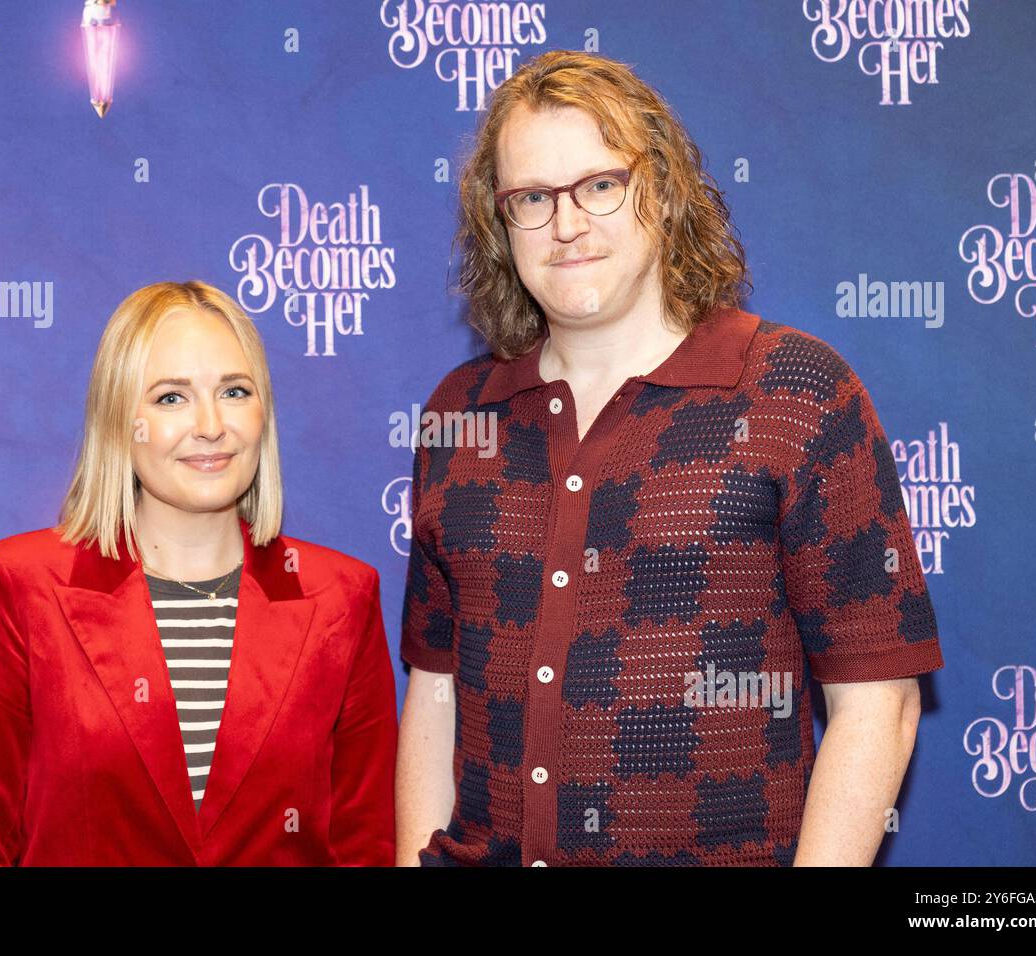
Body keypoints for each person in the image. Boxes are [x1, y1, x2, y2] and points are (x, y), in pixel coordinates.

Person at [395, 51, 945, 867]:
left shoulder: (794, 392)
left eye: (600, 185)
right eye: (533, 199)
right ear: (498, 224)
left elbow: (877, 703)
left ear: (662, 188)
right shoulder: (459, 413)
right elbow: (436, 691)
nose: (567, 224)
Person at [0, 280, 397, 866]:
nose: (211, 425)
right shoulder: (20, 586)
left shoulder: (341, 599)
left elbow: (364, 845)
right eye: (172, 397)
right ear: (120, 419)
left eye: (235, 391)